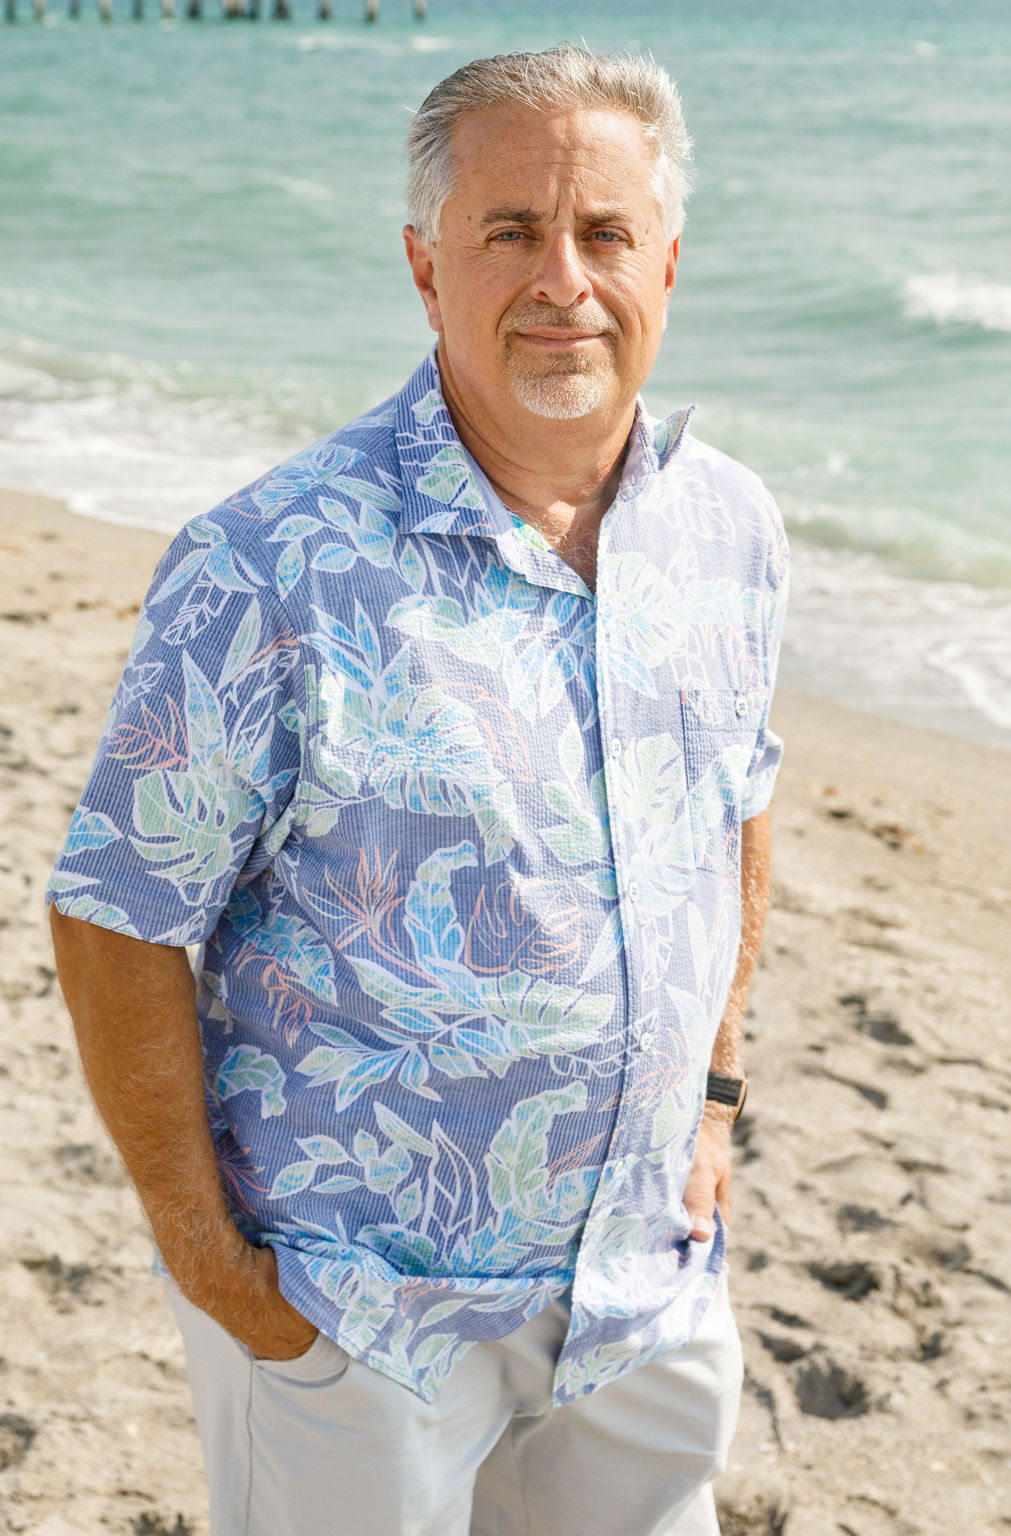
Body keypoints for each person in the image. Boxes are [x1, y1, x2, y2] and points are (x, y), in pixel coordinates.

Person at [48, 44, 788, 1536]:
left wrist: (714, 1098)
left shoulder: (728, 526)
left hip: (642, 1288)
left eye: (603, 235)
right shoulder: (271, 565)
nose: (561, 281)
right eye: (508, 231)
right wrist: (206, 1258)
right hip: (358, 1314)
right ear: (423, 264)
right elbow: (119, 911)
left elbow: (732, 813)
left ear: (669, 260)